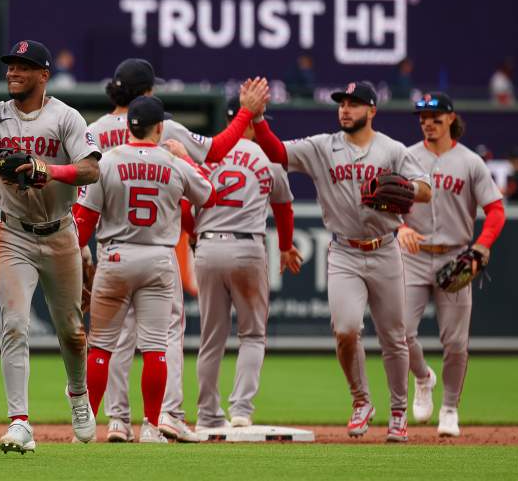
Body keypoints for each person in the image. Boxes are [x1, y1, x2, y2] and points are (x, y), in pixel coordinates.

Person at [85, 58, 266, 443]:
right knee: (164, 335)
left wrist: (80, 253)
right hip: (156, 251)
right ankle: (165, 415)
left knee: (114, 339)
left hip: (112, 249)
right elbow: (216, 151)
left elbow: (80, 193)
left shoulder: (95, 132)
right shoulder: (168, 132)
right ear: (148, 95)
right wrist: (247, 111)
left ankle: (116, 421)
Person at [0, 38, 101, 454]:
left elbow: (90, 170)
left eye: (23, 66)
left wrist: (49, 169)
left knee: (73, 333)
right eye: (11, 65)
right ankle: (20, 423)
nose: (13, 71)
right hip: (13, 233)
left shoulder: (64, 116)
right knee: (15, 324)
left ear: (43, 75)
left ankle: (78, 395)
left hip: (61, 233)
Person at [252, 81, 432, 442]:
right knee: (346, 331)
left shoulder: (392, 149)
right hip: (345, 252)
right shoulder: (322, 146)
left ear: (371, 111)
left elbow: (425, 189)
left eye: (354, 104)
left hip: (384, 250)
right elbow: (275, 152)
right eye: (342, 103)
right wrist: (257, 118)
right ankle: (361, 400)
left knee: (394, 337)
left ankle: (398, 412)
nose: (345, 109)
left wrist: (406, 189)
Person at [75, 95, 216, 443]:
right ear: (159, 128)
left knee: (103, 348)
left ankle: (91, 426)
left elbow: (84, 221)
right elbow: (208, 195)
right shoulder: (173, 162)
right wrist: (185, 158)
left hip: (116, 257)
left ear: (128, 127)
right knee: (155, 347)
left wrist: (74, 259)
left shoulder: (106, 161)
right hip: (157, 259)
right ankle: (152, 426)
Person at [185, 96, 302, 430]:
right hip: (248, 247)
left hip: (208, 247)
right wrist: (285, 247)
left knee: (211, 338)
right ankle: (241, 410)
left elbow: (183, 208)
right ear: (252, 121)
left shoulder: (206, 156)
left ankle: (207, 414)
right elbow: (284, 207)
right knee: (252, 335)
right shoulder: (268, 157)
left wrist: (196, 235)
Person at [398, 93, 505, 436]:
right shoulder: (406, 157)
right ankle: (423, 377)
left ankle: (449, 408)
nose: (427, 122)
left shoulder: (470, 162)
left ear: (450, 118)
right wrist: (399, 227)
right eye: (422, 117)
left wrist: (479, 249)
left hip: (455, 254)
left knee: (456, 342)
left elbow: (496, 211)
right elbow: (384, 204)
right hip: (412, 256)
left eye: (435, 116)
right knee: (400, 333)